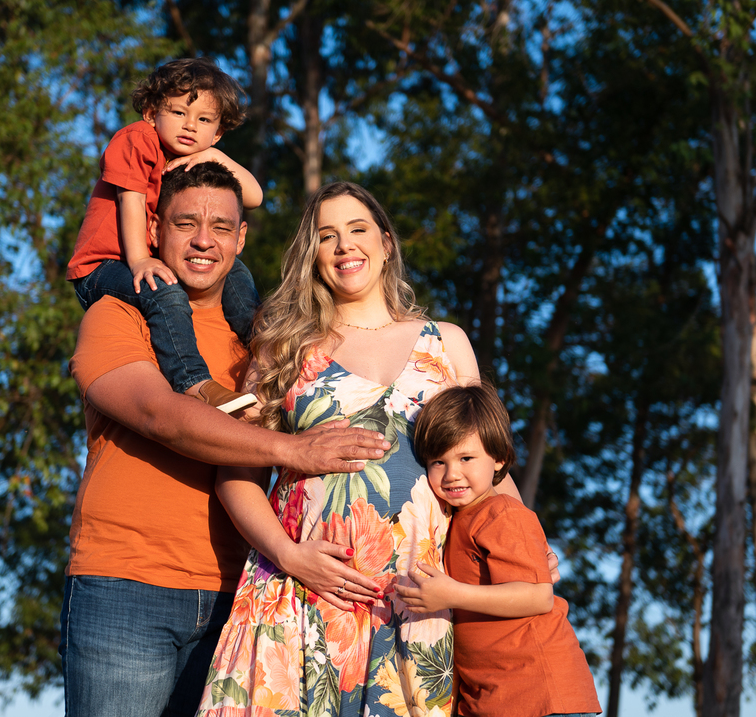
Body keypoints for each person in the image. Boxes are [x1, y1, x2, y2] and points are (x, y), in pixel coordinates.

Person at [197, 182, 556, 717]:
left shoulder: (446, 342)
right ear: (313, 255)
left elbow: (487, 467)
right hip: (300, 594)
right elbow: (236, 472)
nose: (344, 245)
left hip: (417, 604)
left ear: (386, 243)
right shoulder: (283, 346)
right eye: (327, 236)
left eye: (358, 229)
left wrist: (526, 542)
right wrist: (289, 556)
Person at [60, 163, 392, 717]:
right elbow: (161, 415)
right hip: (125, 585)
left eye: (220, 227)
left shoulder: (265, 342)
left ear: (241, 238)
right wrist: (292, 450)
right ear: (154, 229)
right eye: (185, 223)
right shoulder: (117, 313)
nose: (203, 241)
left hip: (244, 591)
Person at [67, 57, 264, 412]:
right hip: (102, 266)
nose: (190, 126)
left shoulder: (193, 157)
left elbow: (254, 196)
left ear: (218, 132)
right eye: (178, 113)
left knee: (235, 269)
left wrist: (215, 154)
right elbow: (130, 202)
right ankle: (194, 383)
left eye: (204, 120)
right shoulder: (138, 139)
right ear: (150, 113)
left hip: (142, 257)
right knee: (164, 291)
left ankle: (266, 346)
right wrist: (140, 260)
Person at [399, 384, 600, 717]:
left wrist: (452, 594)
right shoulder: (457, 519)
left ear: (499, 458)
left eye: (466, 458)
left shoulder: (502, 513)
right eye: (438, 462)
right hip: (496, 696)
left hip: (539, 692)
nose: (452, 474)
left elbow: (539, 597)